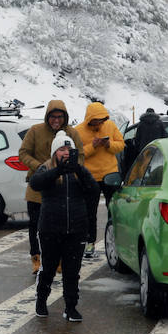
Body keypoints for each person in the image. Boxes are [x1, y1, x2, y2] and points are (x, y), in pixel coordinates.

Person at [29, 132, 97, 322]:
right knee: (48, 268)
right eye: (62, 149)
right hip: (50, 229)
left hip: (76, 230)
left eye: (69, 150)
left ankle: (71, 307)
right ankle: (41, 302)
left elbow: (94, 190)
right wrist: (58, 171)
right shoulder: (46, 169)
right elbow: (35, 183)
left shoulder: (79, 171)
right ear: (54, 153)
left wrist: (79, 170)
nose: (66, 153)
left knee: (72, 271)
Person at [18, 99, 81, 275]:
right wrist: (40, 167)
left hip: (63, 188)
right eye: (53, 116)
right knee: (35, 226)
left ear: (65, 117)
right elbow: (23, 153)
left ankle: (58, 260)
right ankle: (36, 258)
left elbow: (80, 156)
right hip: (38, 188)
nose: (56, 120)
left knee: (60, 227)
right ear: (47, 116)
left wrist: (72, 170)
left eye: (60, 116)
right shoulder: (35, 131)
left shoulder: (72, 134)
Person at [69, 101, 125, 259]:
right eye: (96, 120)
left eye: (101, 120)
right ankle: (89, 242)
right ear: (89, 119)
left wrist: (108, 145)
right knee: (89, 212)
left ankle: (115, 239)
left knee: (113, 209)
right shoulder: (78, 131)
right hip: (89, 176)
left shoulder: (111, 126)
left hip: (110, 174)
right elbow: (78, 154)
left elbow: (121, 145)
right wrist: (92, 146)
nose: (99, 123)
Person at [121, 107, 168, 178]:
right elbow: (165, 136)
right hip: (157, 149)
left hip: (144, 150)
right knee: (156, 166)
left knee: (144, 168)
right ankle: (155, 179)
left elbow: (137, 139)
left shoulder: (141, 124)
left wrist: (137, 149)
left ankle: (144, 180)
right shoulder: (159, 123)